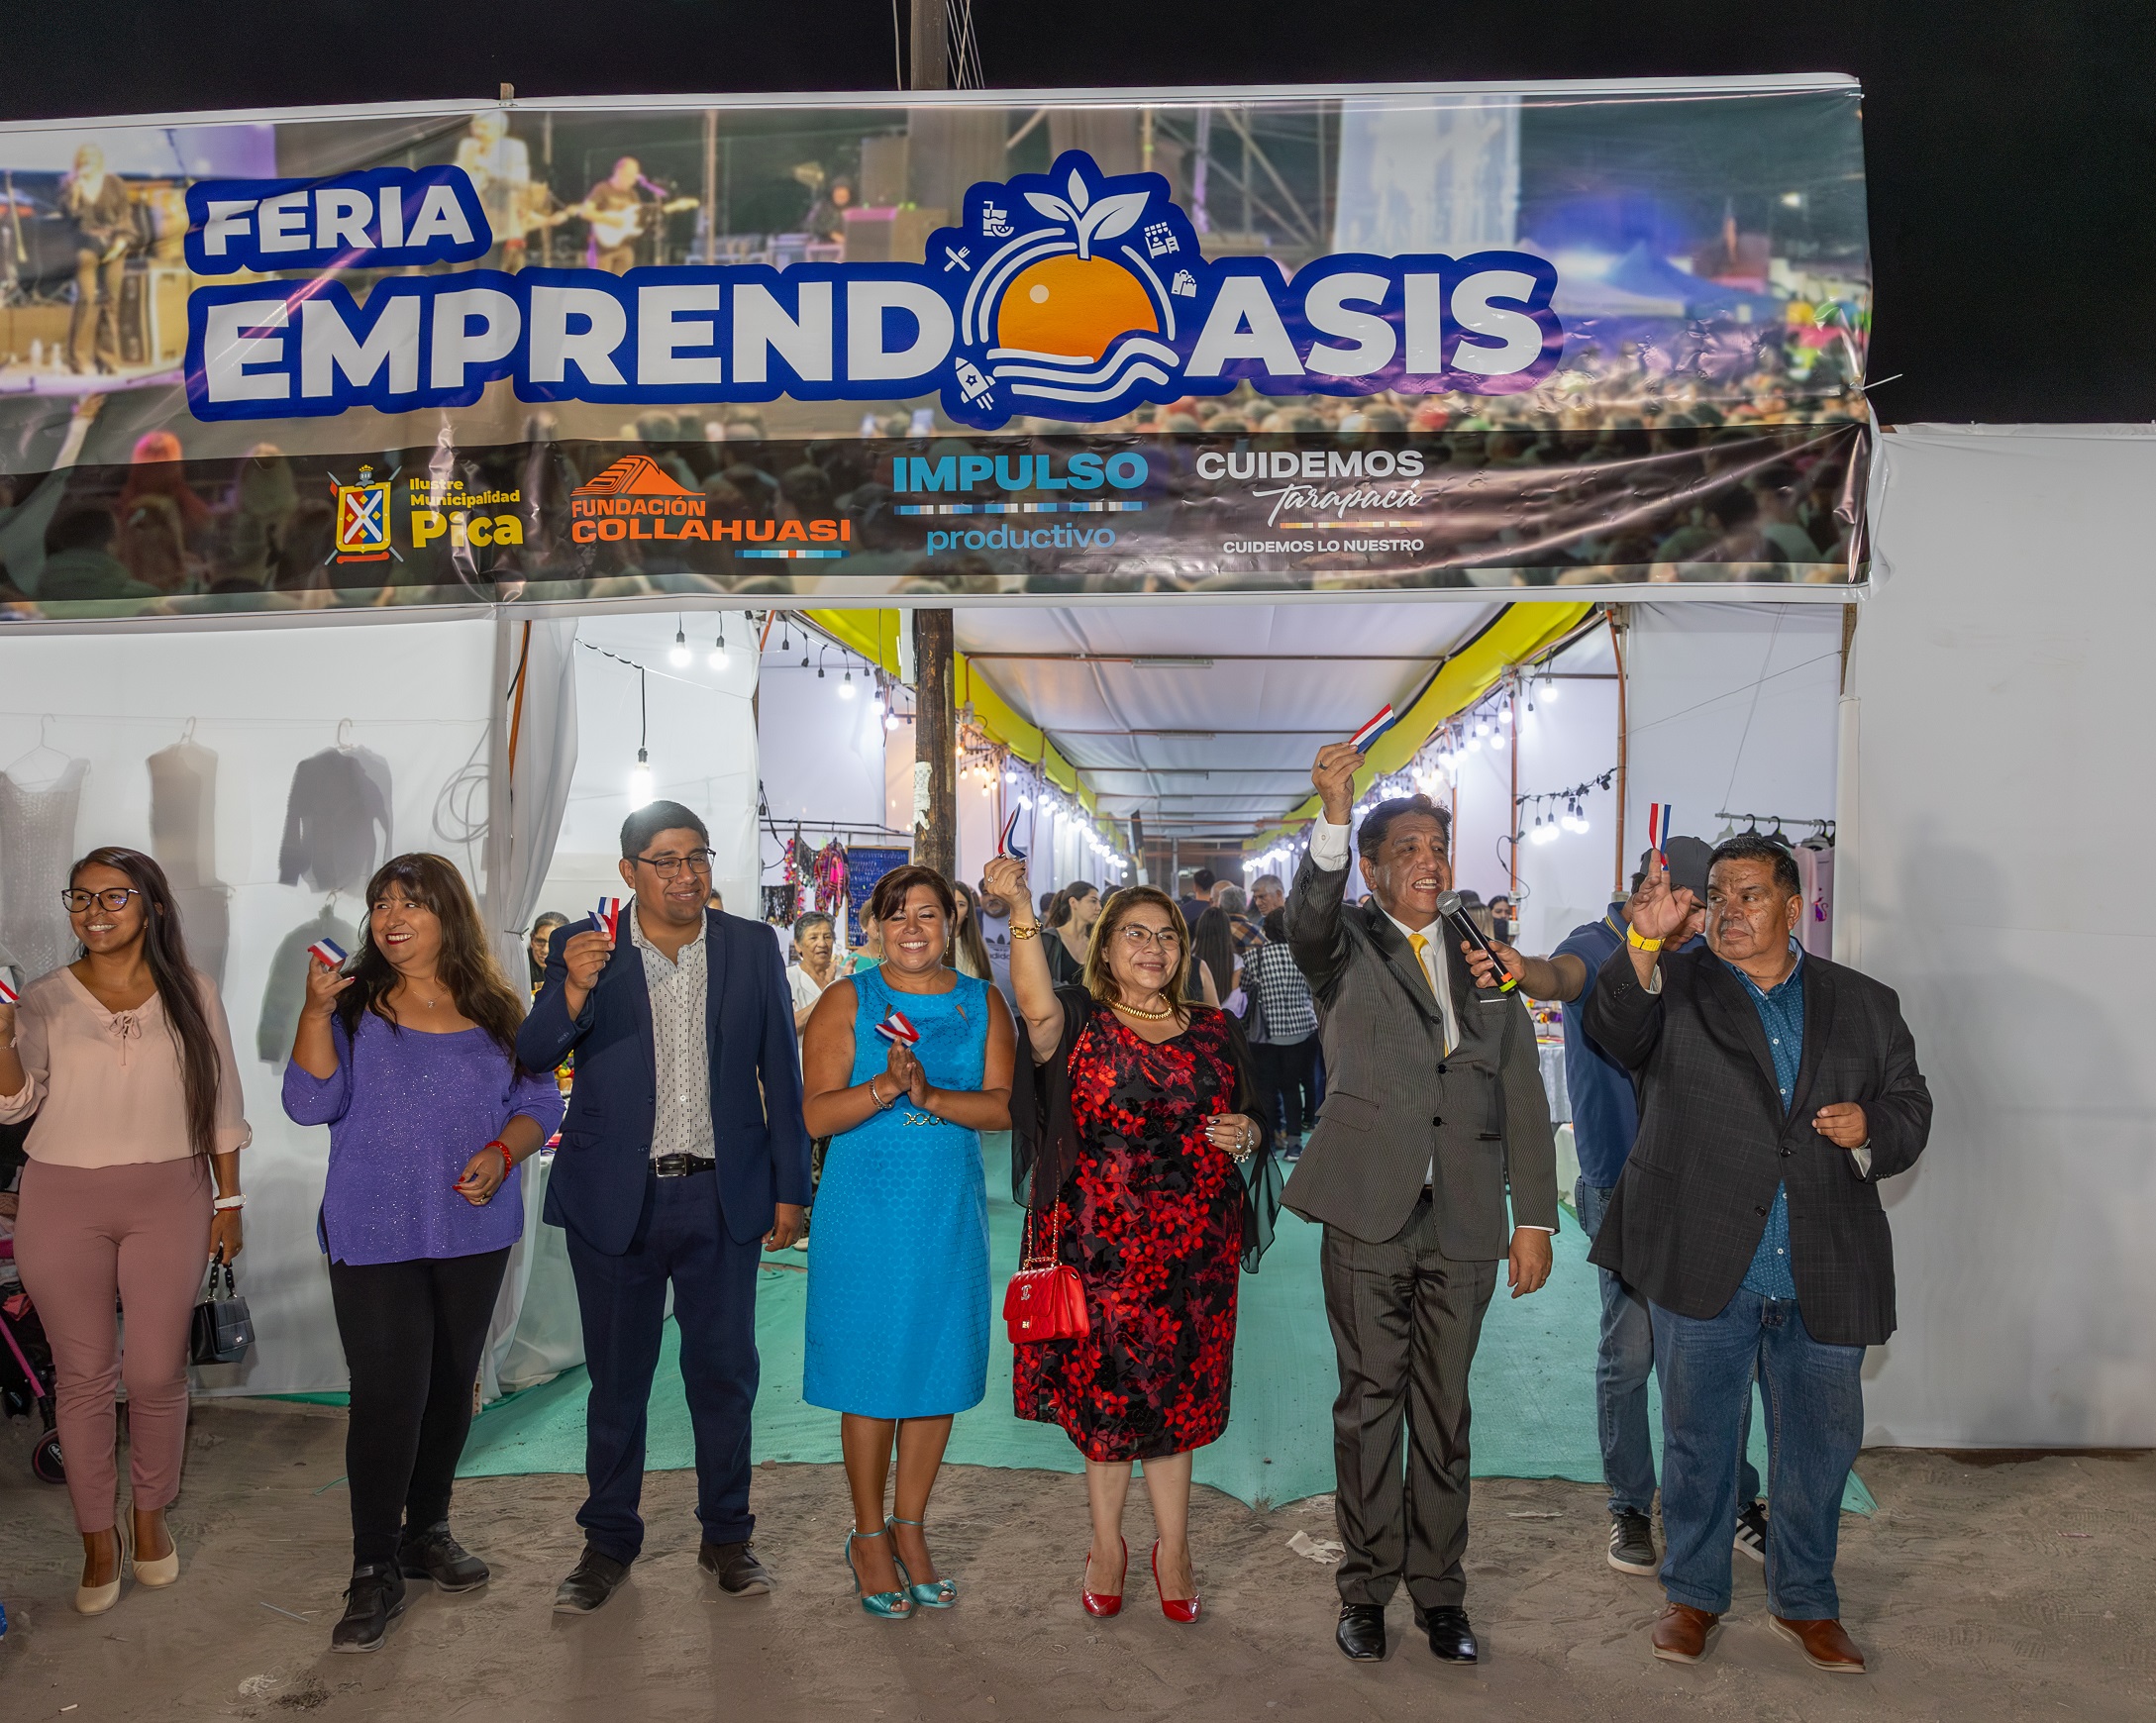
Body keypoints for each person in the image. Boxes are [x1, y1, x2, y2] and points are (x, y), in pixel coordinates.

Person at [1585, 836, 1932, 1673]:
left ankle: (1805, 1601)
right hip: (1704, 1257)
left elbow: (1911, 1107)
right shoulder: (1673, 985)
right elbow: (1611, 1027)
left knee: (1818, 1447)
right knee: (1699, 1442)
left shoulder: (1864, 1001)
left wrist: (1870, 1127)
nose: (1729, 910)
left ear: (1791, 904)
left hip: (1824, 1261)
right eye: (1718, 895)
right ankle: (1692, 1597)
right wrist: (1642, 940)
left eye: (1749, 894)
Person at [1284, 745, 1558, 1668]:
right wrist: (1334, 812)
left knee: (1445, 1412)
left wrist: (1533, 1219)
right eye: (1406, 848)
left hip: (1466, 1218)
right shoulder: (1342, 945)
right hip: (1369, 1208)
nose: (1428, 861)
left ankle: (1440, 1593)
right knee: (1369, 1407)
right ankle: (1364, 1591)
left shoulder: (1484, 951)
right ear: (1370, 868)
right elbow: (1305, 916)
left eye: (1437, 846)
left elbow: (1519, 1087)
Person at [517, 800, 811, 1613]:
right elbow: (533, 1052)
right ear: (629, 871)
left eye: (697, 857)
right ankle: (608, 1542)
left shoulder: (751, 947)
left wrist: (791, 1189)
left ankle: (728, 1536)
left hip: (722, 1196)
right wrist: (572, 987)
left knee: (724, 1376)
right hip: (618, 1201)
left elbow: (781, 1078)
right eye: (666, 861)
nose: (686, 874)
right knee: (617, 1383)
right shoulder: (589, 946)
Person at [1466, 839, 1770, 1577]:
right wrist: (1522, 969)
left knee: (1717, 1353)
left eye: (1709, 906)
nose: (1700, 919)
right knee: (1631, 1352)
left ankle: (1732, 1498)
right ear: (1648, 893)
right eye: (1694, 904)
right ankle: (1630, 1505)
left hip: (1705, 1185)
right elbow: (1558, 976)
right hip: (1621, 1182)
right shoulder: (1598, 944)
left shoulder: (1710, 959)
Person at [284, 854, 565, 1653]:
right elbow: (309, 1102)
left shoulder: (498, 1008)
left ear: (449, 915)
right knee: (386, 1394)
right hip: (373, 1229)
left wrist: (503, 1153)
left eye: (410, 903)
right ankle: (371, 1566)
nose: (391, 918)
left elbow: (539, 1100)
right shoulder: (351, 1002)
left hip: (472, 1230)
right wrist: (313, 1014)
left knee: (449, 1385)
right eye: (381, 903)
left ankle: (426, 1531)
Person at [992, 855, 1278, 1625]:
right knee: (1110, 1397)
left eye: (1166, 936)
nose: (1153, 948)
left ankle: (1174, 1549)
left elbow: (1258, 1115)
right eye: (1134, 934)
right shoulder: (1077, 1020)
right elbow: (1031, 1007)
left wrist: (1248, 1131)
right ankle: (1106, 1546)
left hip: (1197, 1252)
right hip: (1101, 1249)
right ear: (1105, 947)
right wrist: (1019, 907)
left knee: (1177, 1398)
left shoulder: (1215, 1029)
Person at [0, 848, 249, 1615]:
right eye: (80, 897)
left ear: (152, 907)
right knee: (81, 1378)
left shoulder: (192, 992)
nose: (94, 911)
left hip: (171, 1196)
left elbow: (220, 1099)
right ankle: (96, 1542)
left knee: (153, 1373)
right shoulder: (43, 997)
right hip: (60, 1199)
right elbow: (14, 1104)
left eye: (114, 896)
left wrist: (230, 1202)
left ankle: (149, 1519)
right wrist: (3, 1038)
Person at [798, 865, 1014, 1617]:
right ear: (876, 927)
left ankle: (910, 1526)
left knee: (935, 1365)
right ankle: (867, 1535)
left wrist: (930, 1095)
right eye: (897, 916)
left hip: (945, 1212)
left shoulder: (982, 1001)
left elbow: (1000, 1108)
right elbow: (815, 1117)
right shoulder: (847, 1000)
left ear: (952, 922)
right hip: (864, 1213)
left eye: (927, 913)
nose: (913, 928)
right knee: (870, 1371)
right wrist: (886, 1089)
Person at [1242, 908, 1319, 1160]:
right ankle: (1295, 1145)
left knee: (1266, 1090)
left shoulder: (1254, 957)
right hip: (1301, 1031)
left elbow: (1244, 987)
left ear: (1265, 931)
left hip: (1266, 1035)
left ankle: (1271, 1144)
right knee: (1291, 1088)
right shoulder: (1304, 957)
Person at [59, 145, 134, 375]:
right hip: (86, 245)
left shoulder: (114, 183)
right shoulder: (70, 185)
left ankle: (107, 358)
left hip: (113, 243)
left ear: (99, 161)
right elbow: (68, 217)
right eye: (83, 160)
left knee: (111, 301)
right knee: (86, 297)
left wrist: (121, 241)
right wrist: (76, 193)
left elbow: (124, 215)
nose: (87, 163)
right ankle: (77, 358)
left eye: (91, 159)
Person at [786, 911, 839, 1033]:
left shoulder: (845, 974)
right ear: (798, 945)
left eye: (827, 937)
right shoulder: (787, 977)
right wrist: (828, 993)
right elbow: (790, 1026)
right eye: (813, 938)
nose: (822, 944)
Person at [1045, 879, 1099, 987]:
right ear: (1073, 902)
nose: (1099, 907)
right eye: (1093, 901)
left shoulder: (1093, 945)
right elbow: (1037, 981)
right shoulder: (1049, 939)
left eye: (1099, 902)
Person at [1185, 904, 1240, 1008]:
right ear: (1226, 931)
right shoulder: (1236, 962)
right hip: (1226, 1015)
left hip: (1198, 1014)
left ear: (1200, 930)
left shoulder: (1192, 962)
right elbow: (1233, 1002)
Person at [973, 870, 1016, 998]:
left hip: (1021, 1005)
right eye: (986, 893)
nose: (991, 898)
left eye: (996, 892)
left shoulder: (1024, 921)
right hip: (982, 1002)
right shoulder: (973, 920)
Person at [948, 879, 995, 983]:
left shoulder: (977, 947)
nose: (954, 910)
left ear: (968, 912)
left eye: (961, 904)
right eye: (950, 904)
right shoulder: (931, 945)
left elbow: (989, 984)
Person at [527, 911, 569, 991]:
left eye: (554, 943)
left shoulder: (577, 975)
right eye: (540, 941)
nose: (545, 950)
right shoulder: (515, 971)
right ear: (532, 940)